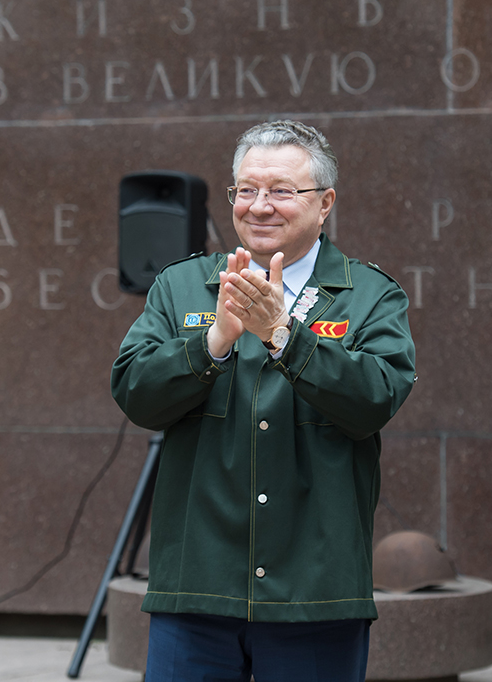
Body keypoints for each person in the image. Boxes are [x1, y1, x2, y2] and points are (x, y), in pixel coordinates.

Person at [111, 120, 416, 682]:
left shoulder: (371, 295)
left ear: (324, 204)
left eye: (280, 191)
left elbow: (373, 399)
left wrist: (283, 334)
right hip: (196, 588)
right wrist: (213, 343)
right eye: (245, 190)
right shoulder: (181, 286)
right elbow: (135, 393)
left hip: (314, 592)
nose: (259, 206)